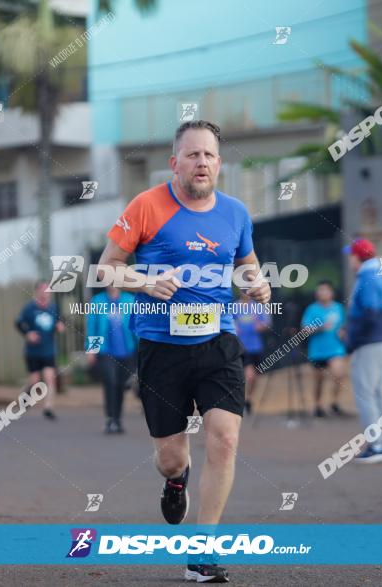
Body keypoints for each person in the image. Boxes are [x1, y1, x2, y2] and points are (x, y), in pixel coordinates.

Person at [98, 119, 270, 584]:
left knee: (225, 438)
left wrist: (257, 284)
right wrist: (145, 281)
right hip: (160, 347)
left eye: (209, 155)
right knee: (171, 456)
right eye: (192, 155)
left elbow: (248, 264)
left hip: (219, 342)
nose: (201, 162)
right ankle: (176, 480)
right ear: (175, 163)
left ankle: (202, 553)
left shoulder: (235, 213)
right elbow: (107, 269)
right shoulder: (146, 206)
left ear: (219, 163)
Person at [344, 238, 382, 464]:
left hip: (368, 343)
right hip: (381, 341)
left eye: (351, 255)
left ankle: (376, 446)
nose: (349, 259)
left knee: (365, 394)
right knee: (378, 394)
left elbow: (369, 314)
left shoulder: (367, 278)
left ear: (357, 257)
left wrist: (352, 340)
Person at [86, 286, 137, 434]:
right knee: (110, 382)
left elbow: (136, 326)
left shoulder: (130, 299)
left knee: (121, 386)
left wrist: (142, 348)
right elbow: (92, 327)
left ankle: (118, 420)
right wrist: (91, 350)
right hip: (105, 351)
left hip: (127, 350)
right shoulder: (97, 301)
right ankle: (109, 420)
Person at [15, 281, 65, 420]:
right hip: (33, 351)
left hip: (48, 350)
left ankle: (48, 408)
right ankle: (24, 399)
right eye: (42, 290)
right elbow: (18, 323)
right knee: (35, 382)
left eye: (48, 290)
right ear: (37, 291)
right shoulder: (29, 308)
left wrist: (59, 327)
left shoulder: (54, 308)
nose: (45, 293)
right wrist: (28, 334)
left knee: (50, 379)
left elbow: (58, 323)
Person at [300, 280, 349, 417]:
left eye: (325, 290)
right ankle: (318, 405)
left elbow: (344, 326)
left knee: (339, 373)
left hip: (336, 349)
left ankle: (334, 402)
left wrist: (343, 332)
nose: (322, 293)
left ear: (331, 292)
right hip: (317, 351)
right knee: (318, 380)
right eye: (320, 290)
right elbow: (305, 329)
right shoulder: (312, 309)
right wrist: (320, 328)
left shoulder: (338, 308)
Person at [232, 291, 270, 415]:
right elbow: (228, 322)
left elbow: (266, 323)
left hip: (256, 347)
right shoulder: (234, 306)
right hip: (240, 346)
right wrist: (234, 327)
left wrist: (260, 325)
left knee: (256, 377)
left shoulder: (257, 306)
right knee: (249, 374)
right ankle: (242, 399)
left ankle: (248, 399)